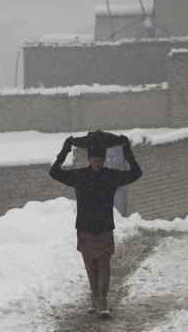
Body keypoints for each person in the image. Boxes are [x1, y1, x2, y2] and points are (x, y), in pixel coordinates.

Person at [49, 135, 142, 319]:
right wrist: (65, 149)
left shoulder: (111, 176)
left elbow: (136, 173)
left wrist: (126, 150)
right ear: (89, 159)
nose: (97, 163)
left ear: (104, 160)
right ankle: (94, 295)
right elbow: (54, 172)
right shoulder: (79, 176)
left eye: (100, 160)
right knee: (91, 266)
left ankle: (103, 300)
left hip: (105, 228)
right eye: (94, 160)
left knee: (104, 265)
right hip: (84, 228)